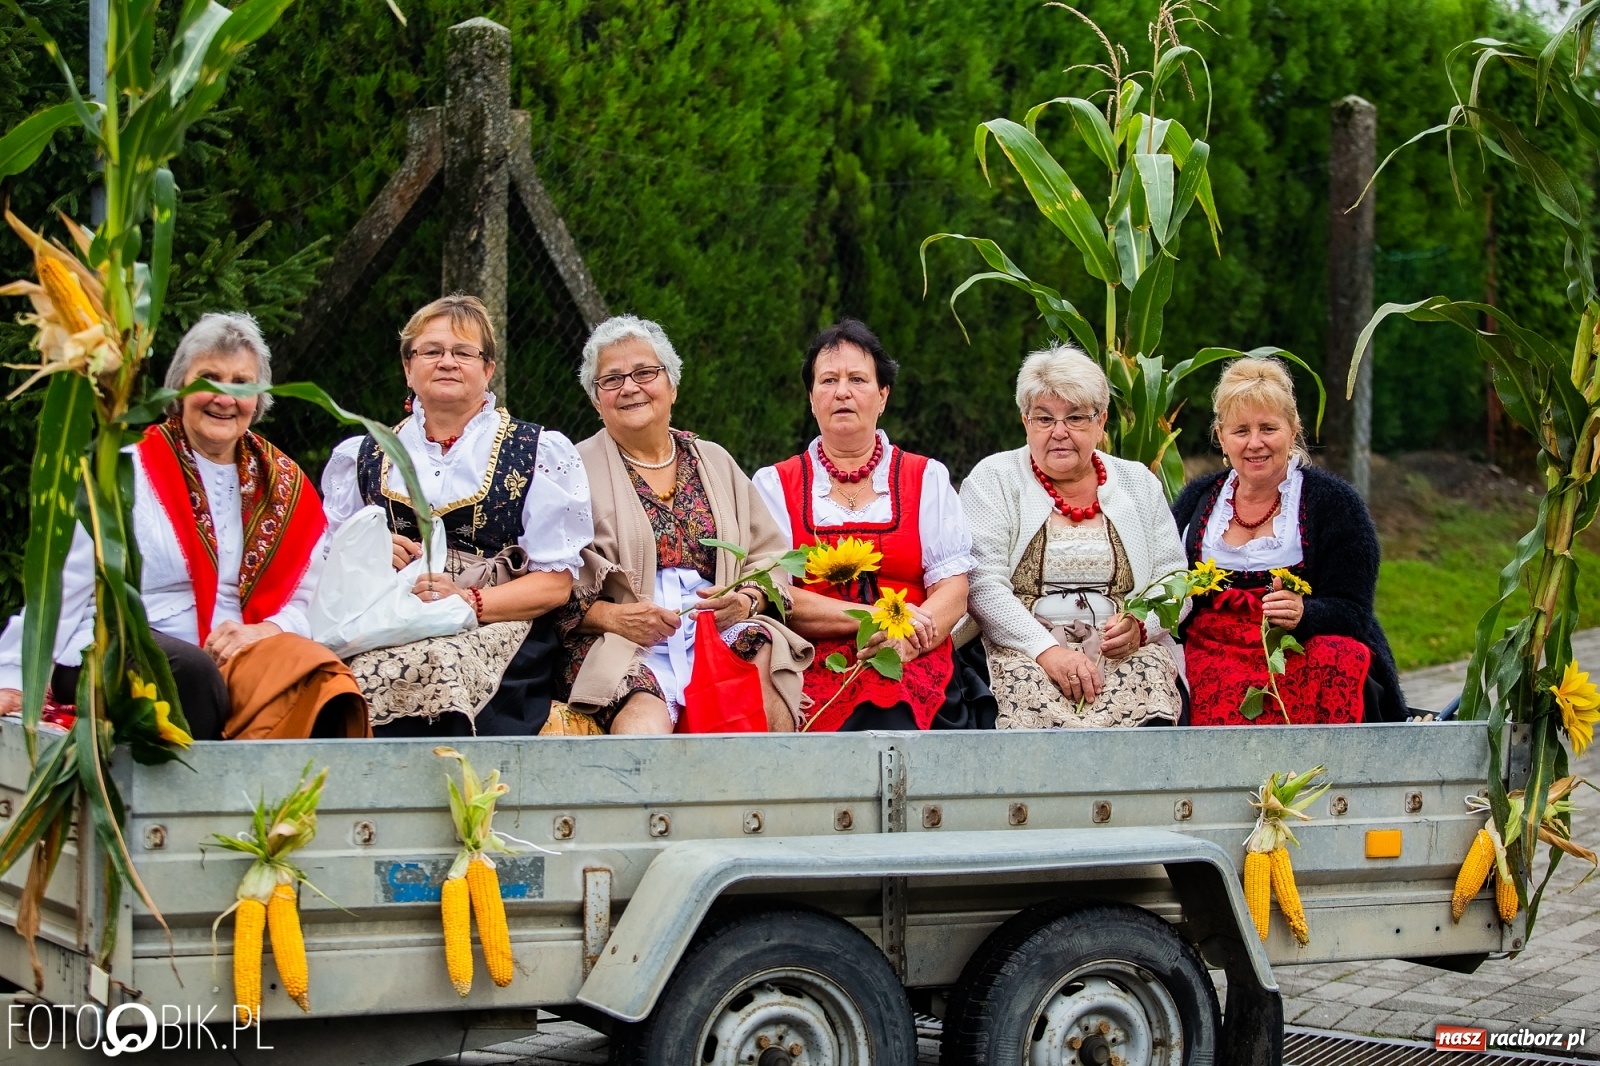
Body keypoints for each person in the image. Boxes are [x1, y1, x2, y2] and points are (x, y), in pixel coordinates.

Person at [0, 313, 365, 740]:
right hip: (116, 646)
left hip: (242, 654)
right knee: (191, 674)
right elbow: (64, 585)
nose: (225, 397)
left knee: (324, 681)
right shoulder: (125, 469)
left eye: (241, 383)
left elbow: (312, 598)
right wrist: (14, 674)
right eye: (208, 379)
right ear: (179, 388)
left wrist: (267, 630)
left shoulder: (283, 484)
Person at [321, 294, 592, 736]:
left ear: (488, 370)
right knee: (345, 675)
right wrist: (367, 553)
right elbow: (328, 567)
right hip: (384, 618)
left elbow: (555, 584)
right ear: (408, 368)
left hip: (494, 625)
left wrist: (468, 601)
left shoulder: (538, 452)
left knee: (437, 663)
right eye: (431, 351)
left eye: (464, 352)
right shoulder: (363, 454)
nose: (447, 361)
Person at [560, 315, 812, 733]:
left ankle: (771, 778)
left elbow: (770, 558)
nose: (630, 387)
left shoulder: (714, 460)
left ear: (672, 386)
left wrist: (747, 601)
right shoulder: (571, 469)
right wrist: (614, 618)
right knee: (643, 724)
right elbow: (550, 583)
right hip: (623, 642)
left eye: (645, 372)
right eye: (612, 379)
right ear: (596, 400)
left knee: (763, 680)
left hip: (719, 628)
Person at [753, 319, 980, 732]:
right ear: (811, 399)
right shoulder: (774, 485)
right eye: (828, 380)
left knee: (891, 701)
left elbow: (953, 590)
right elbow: (777, 595)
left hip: (911, 654)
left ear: (883, 395)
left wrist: (907, 639)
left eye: (857, 379)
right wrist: (877, 617)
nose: (842, 392)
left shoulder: (926, 477)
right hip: (807, 654)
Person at [959, 343, 1187, 729]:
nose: (1059, 432)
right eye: (1044, 418)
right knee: (1026, 704)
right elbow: (982, 585)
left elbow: (1176, 580)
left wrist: (1141, 625)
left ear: (1101, 421)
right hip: (1020, 649)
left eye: (1076, 418)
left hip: (1123, 652)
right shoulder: (993, 479)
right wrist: (1046, 650)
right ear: (1025, 422)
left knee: (1147, 681)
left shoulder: (1138, 483)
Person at [1171, 355, 1406, 724]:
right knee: (1172, 670)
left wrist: (1305, 613)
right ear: (1221, 437)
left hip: (1297, 647)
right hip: (1211, 649)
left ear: (1293, 430)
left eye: (1268, 428)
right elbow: (1167, 586)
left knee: (1340, 657)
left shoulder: (1335, 503)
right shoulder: (1196, 499)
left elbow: (1355, 611)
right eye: (1241, 431)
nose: (1255, 443)